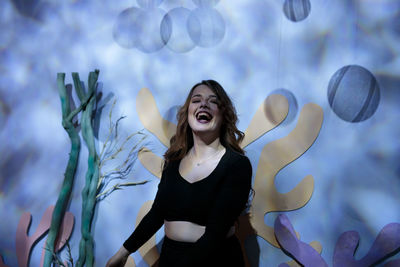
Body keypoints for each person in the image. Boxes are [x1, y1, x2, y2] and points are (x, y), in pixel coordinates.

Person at [106, 80, 252, 267]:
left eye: (213, 101)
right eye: (196, 100)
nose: (203, 104)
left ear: (224, 115)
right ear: (188, 112)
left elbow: (215, 235)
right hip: (171, 257)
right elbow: (157, 213)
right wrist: (123, 252)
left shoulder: (236, 164)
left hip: (217, 259)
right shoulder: (174, 161)